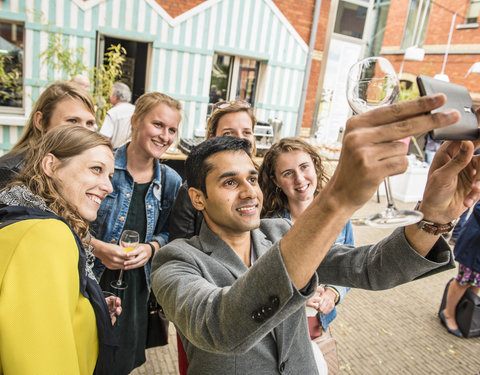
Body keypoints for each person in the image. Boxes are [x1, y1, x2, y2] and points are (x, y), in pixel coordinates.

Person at [151, 93, 480, 374]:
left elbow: (371, 268)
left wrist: (434, 217)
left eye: (252, 179)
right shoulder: (175, 260)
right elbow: (218, 325)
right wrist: (335, 198)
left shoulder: (281, 231)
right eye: (229, 182)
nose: (249, 192)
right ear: (197, 198)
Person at [0, 125, 120, 374]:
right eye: (96, 169)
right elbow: (38, 362)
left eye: (110, 176)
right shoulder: (45, 236)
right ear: (51, 166)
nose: (108, 187)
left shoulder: (26, 217)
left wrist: (90, 309)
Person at [90, 92, 183, 375]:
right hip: (91, 281)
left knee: (121, 363)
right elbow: (68, 222)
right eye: (158, 125)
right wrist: (97, 247)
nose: (165, 136)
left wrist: (152, 247)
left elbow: (171, 233)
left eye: (172, 130)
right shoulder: (100, 167)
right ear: (135, 121)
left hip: (135, 292)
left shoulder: (170, 180)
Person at [259, 137, 351, 341]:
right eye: (288, 173)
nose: (299, 179)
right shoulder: (267, 226)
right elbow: (259, 280)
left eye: (304, 167)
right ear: (275, 180)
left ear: (315, 167)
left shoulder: (338, 216)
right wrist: (293, 297)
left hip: (317, 320)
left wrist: (333, 293)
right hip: (279, 324)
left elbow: (348, 265)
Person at [169, 100, 256, 242]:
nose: (240, 139)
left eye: (247, 132)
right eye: (229, 133)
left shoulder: (265, 185)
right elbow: (178, 245)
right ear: (212, 137)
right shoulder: (192, 189)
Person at [0, 81, 97, 189]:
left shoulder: (90, 169)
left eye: (89, 123)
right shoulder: (10, 173)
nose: (83, 131)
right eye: (72, 121)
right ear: (40, 121)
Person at [439, 202, 480, 337]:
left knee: (476, 282)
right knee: (464, 280)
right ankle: (448, 313)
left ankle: (464, 313)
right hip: (475, 243)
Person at [99, 82, 135, 149]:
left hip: (116, 153)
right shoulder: (135, 110)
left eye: (111, 94)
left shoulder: (113, 113)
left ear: (115, 97)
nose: (110, 96)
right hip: (133, 152)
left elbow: (105, 137)